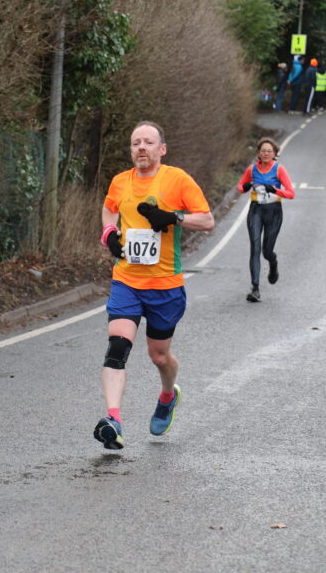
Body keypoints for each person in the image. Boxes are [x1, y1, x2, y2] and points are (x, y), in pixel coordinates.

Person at [95, 121, 214, 449]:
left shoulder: (177, 180)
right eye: (136, 143)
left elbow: (207, 219)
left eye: (148, 142)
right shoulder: (121, 182)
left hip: (165, 286)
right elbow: (108, 211)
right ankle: (113, 421)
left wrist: (173, 218)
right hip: (126, 282)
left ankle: (167, 395)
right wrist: (109, 235)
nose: (141, 148)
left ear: (161, 149)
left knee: (159, 357)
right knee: (117, 348)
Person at [237, 137, 295, 303]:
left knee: (266, 251)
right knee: (255, 247)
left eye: (269, 151)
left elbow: (291, 193)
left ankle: (273, 263)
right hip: (256, 210)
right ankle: (255, 289)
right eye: (263, 151)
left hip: (274, 212)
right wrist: (246, 187)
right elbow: (241, 187)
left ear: (275, 153)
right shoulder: (252, 169)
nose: (266, 153)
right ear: (258, 153)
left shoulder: (279, 170)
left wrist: (275, 190)